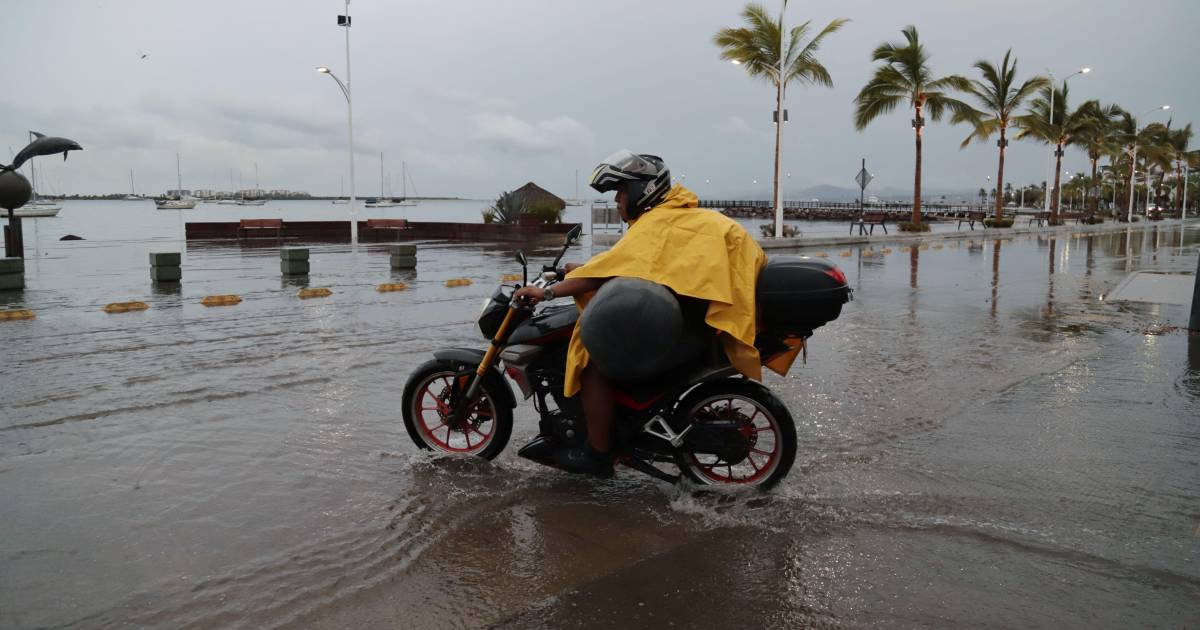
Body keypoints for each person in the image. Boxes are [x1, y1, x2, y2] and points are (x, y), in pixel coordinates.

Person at [514, 150, 768, 477]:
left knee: (592, 364)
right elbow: (636, 266)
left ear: (641, 189)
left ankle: (597, 453)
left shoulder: (658, 223)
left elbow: (614, 272)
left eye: (621, 191)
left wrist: (546, 292)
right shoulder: (676, 217)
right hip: (701, 321)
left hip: (689, 328)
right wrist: (582, 269)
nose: (617, 199)